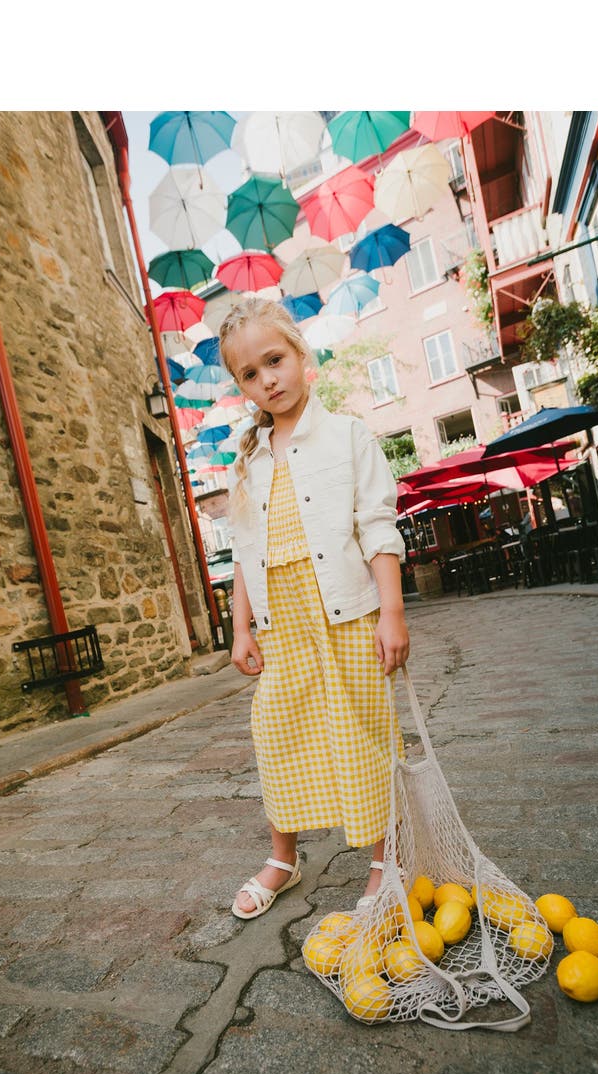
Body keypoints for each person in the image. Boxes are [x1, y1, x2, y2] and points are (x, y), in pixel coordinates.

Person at [221, 296, 411, 920]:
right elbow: (245, 552)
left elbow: (377, 527)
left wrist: (391, 611)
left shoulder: (347, 435)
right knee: (277, 733)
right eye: (249, 374)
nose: (266, 379)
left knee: (363, 731)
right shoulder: (248, 459)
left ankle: (386, 858)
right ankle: (284, 856)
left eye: (274, 360)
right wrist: (240, 627)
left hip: (346, 614)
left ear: (302, 357)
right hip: (284, 622)